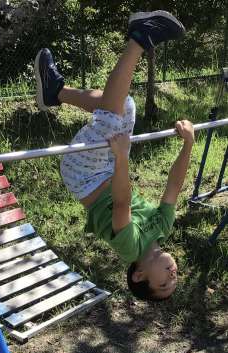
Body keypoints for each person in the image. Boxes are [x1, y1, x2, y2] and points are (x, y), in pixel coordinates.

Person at [34, 11, 195, 301]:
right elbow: (174, 186)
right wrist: (188, 145)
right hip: (109, 169)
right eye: (176, 280)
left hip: (84, 177)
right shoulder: (162, 228)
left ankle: (139, 38)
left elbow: (122, 205)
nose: (173, 277)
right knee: (125, 105)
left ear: (139, 275)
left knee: (112, 118)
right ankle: (55, 92)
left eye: (163, 285)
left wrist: (121, 158)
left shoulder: (131, 250)